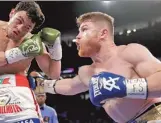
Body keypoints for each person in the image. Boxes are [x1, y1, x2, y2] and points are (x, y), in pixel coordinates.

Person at [33, 12, 161, 123]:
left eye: (84, 29)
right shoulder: (87, 72)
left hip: (155, 114)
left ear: (103, 34)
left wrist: (125, 87)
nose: (77, 36)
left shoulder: (129, 52)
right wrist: (40, 85)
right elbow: (70, 86)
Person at [0, 1, 62, 123]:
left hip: (20, 97)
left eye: (27, 28)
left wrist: (56, 49)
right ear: (12, 13)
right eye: (19, 21)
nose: (20, 29)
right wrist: (20, 53)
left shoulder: (32, 41)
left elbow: (54, 74)